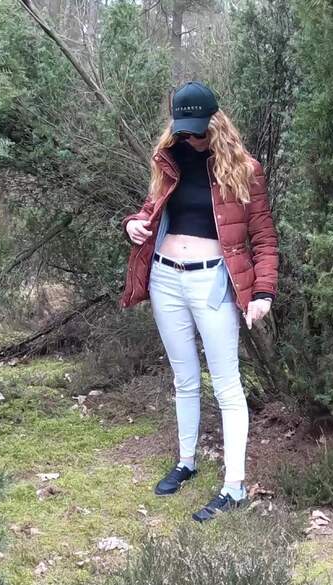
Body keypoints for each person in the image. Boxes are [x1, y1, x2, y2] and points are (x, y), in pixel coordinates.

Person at [119, 81, 279, 522]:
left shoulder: (246, 169)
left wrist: (262, 292)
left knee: (227, 385)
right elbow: (150, 209)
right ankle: (186, 461)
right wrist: (133, 223)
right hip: (165, 278)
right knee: (184, 377)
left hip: (213, 282)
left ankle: (234, 487)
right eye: (183, 130)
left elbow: (264, 237)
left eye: (198, 130)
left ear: (216, 123)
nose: (190, 138)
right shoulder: (168, 158)